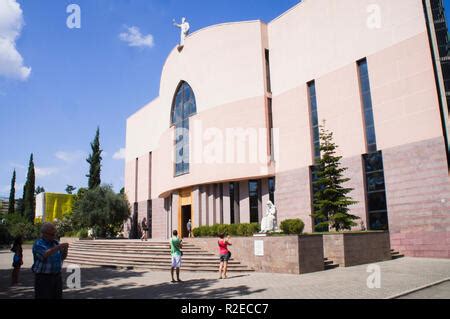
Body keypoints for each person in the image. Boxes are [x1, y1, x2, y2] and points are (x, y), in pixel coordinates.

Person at [32, 222, 69, 299]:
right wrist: (59, 247)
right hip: (44, 278)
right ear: (44, 234)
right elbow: (45, 254)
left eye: (54, 234)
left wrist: (65, 249)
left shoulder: (55, 243)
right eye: (52, 234)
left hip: (57, 276)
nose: (54, 236)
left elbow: (63, 257)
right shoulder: (38, 243)